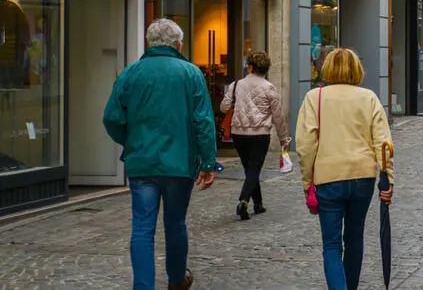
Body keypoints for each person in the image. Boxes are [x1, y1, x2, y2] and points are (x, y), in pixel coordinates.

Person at [102, 18, 216, 290]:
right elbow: (203, 121)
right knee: (175, 223)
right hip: (179, 163)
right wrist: (209, 161)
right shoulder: (191, 74)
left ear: (148, 42)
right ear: (179, 44)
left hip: (142, 162)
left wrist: (130, 142)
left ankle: (143, 285)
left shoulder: (131, 73)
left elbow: (111, 118)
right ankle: (176, 279)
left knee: (142, 227)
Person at [296, 48, 393, 290]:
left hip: (328, 178)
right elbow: (383, 143)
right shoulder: (369, 97)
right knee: (354, 238)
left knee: (331, 245)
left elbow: (306, 145)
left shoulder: (314, 98)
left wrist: (307, 180)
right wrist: (387, 178)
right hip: (362, 177)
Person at [220, 51, 289, 221]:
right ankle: (243, 202)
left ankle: (258, 204)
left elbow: (223, 107)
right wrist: (283, 138)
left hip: (239, 133)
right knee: (254, 169)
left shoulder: (236, 85)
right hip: (260, 134)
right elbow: (278, 116)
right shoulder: (269, 88)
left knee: (250, 169)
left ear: (250, 67)